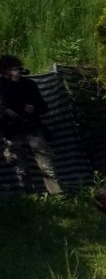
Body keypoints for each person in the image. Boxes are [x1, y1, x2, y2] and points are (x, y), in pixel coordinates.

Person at [0, 55, 59, 196]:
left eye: (18, 69)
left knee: (46, 165)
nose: (18, 72)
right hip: (12, 131)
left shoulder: (29, 84)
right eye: (14, 69)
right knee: (21, 168)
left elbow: (43, 107)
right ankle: (31, 197)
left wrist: (34, 108)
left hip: (32, 129)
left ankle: (57, 195)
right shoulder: (1, 86)